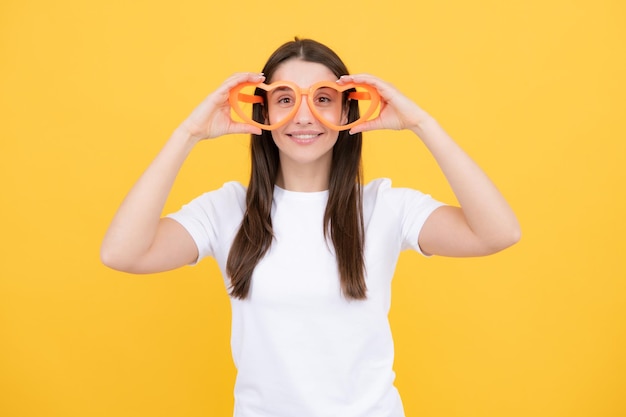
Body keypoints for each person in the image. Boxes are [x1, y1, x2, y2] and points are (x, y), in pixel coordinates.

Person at [101, 38, 520, 417]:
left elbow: (497, 233)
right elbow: (123, 253)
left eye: (323, 98)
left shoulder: (385, 206)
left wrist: (422, 124)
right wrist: (188, 132)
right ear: (263, 112)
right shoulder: (227, 209)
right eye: (286, 100)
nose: (304, 116)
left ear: (346, 110)